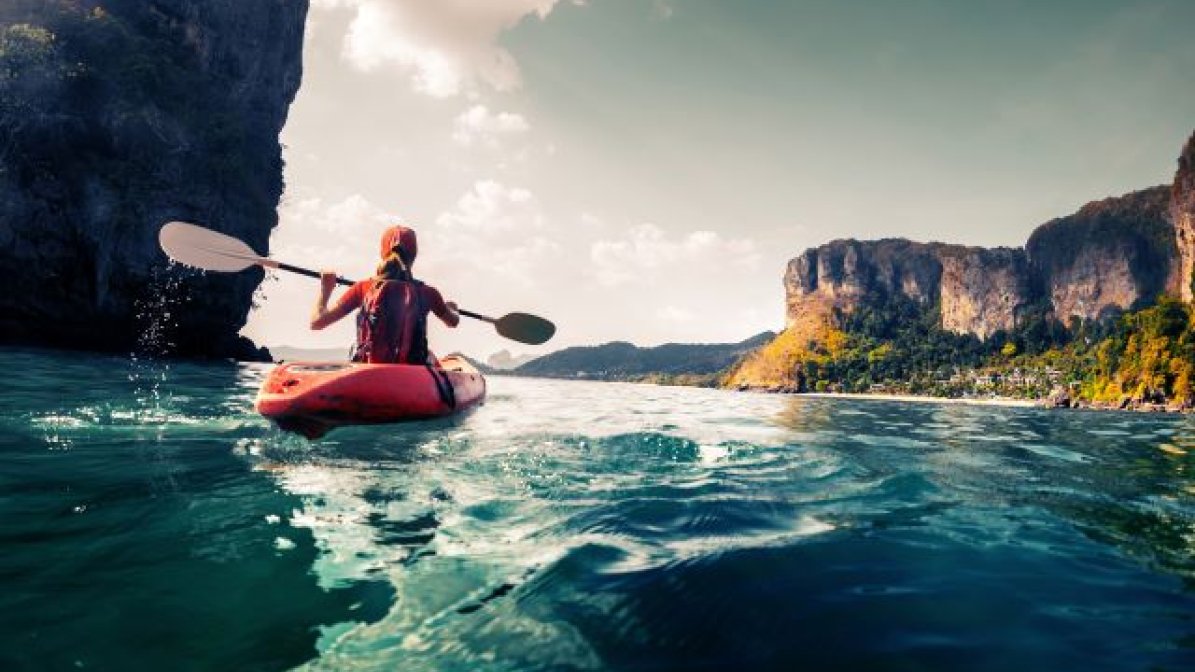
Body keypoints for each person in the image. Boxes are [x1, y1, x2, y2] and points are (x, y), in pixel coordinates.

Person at [310, 225, 460, 364]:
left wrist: (326, 288)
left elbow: (317, 322)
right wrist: (452, 308)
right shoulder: (428, 293)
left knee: (354, 348)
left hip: (369, 367)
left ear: (382, 253)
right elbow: (453, 321)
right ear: (414, 255)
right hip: (413, 370)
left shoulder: (363, 288)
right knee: (430, 355)